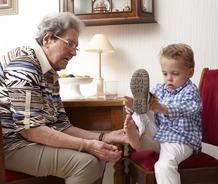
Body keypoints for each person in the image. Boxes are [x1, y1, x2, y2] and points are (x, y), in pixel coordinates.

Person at [0, 12, 130, 184]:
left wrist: (103, 138)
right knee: (87, 164)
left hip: (28, 142)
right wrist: (87, 145)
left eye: (76, 47)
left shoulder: (50, 74)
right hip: (10, 146)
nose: (74, 53)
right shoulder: (24, 62)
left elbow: (62, 126)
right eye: (70, 44)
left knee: (100, 157)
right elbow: (30, 129)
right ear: (47, 39)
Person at [124, 43, 202, 184]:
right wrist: (133, 106)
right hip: (161, 136)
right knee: (143, 107)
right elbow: (148, 108)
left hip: (182, 141)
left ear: (190, 73)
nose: (169, 78)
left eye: (175, 73)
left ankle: (139, 138)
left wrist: (162, 108)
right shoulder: (160, 88)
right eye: (165, 73)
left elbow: (189, 108)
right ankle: (136, 134)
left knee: (163, 166)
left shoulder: (190, 91)